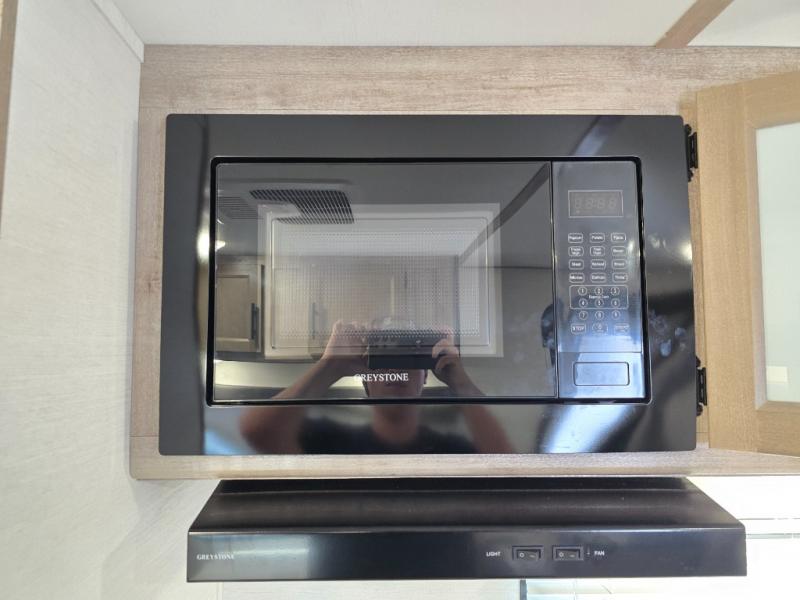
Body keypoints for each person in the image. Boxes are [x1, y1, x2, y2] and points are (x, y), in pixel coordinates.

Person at [239, 320, 513, 453]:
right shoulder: (329, 439)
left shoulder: (452, 447)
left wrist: (459, 380)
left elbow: (508, 461)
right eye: (384, 359)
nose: (395, 370)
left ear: (425, 376)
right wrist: (331, 364)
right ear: (366, 379)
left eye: (407, 358)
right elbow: (256, 432)